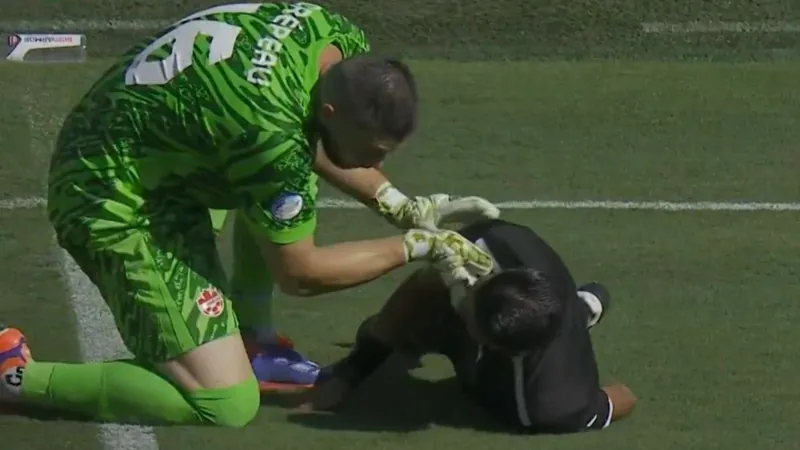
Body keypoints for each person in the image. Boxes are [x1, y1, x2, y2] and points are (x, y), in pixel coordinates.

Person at [0, 2, 497, 427]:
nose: (378, 166)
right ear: (329, 114)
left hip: (150, 140)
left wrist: (397, 204)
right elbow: (301, 274)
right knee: (224, 402)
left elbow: (299, 142)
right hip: (108, 195)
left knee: (274, 191)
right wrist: (418, 246)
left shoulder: (333, 36)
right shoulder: (271, 135)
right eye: (374, 151)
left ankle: (254, 340)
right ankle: (15, 378)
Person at [302, 219, 637, 433]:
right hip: (550, 296)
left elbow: (622, 399)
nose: (462, 299)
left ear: (493, 347)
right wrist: (354, 370)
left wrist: (585, 393)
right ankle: (579, 308)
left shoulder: (550, 404)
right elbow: (426, 283)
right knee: (407, 325)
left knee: (476, 393)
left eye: (469, 316)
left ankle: (578, 314)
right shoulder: (499, 243)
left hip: (515, 380)